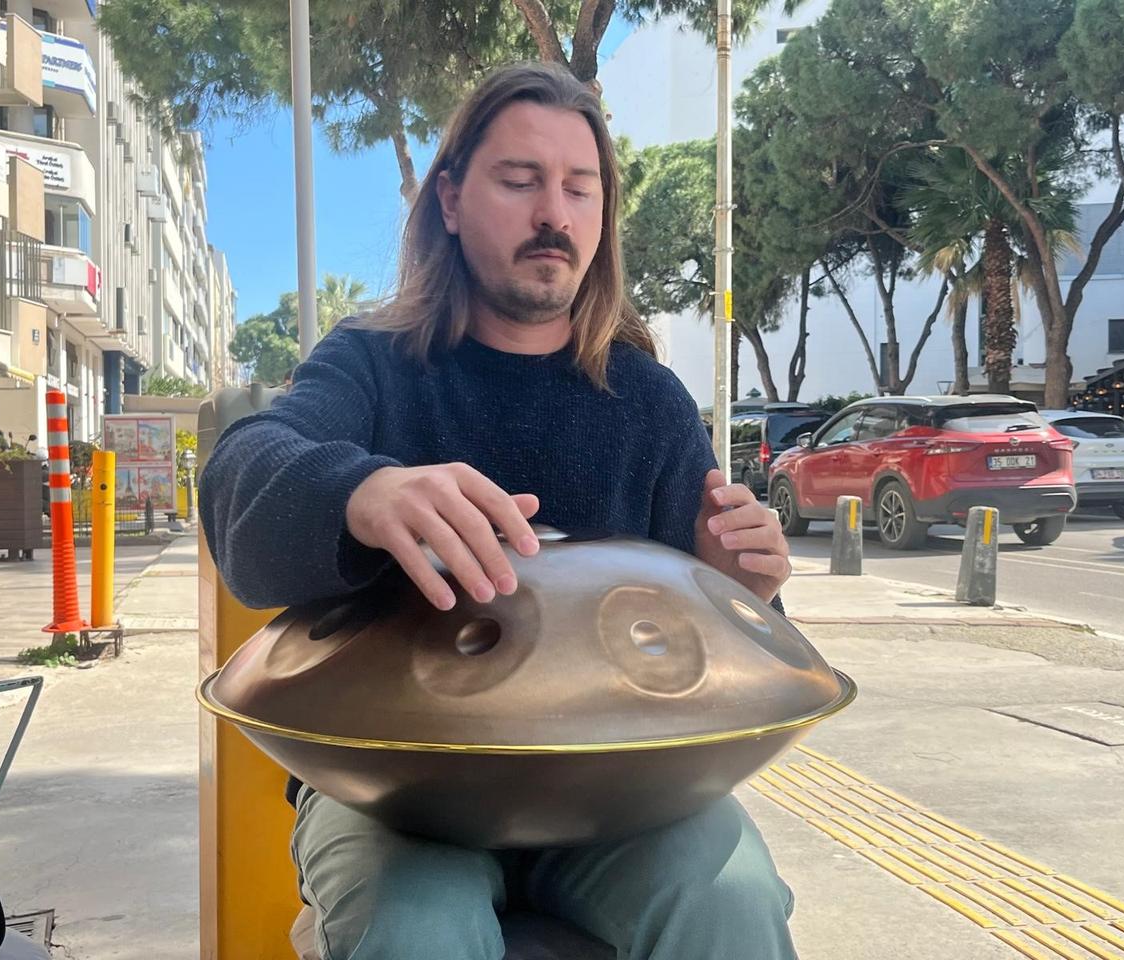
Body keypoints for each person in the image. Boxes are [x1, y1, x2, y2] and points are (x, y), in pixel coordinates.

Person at [199, 61, 796, 960]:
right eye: (520, 181)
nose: (553, 213)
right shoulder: (370, 363)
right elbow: (243, 475)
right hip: (393, 793)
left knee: (735, 901)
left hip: (624, 790)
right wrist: (364, 490)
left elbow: (722, 664)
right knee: (417, 928)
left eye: (578, 188)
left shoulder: (650, 400)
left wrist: (739, 587)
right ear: (449, 198)